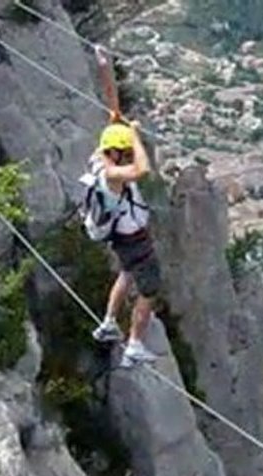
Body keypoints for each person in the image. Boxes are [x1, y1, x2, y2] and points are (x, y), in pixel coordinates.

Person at [87, 45, 161, 367]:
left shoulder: (101, 157)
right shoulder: (113, 175)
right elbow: (142, 170)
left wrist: (104, 66)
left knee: (126, 274)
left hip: (122, 238)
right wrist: (136, 137)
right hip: (133, 239)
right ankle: (134, 343)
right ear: (118, 153)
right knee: (150, 289)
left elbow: (112, 105)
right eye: (126, 151)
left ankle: (108, 322)